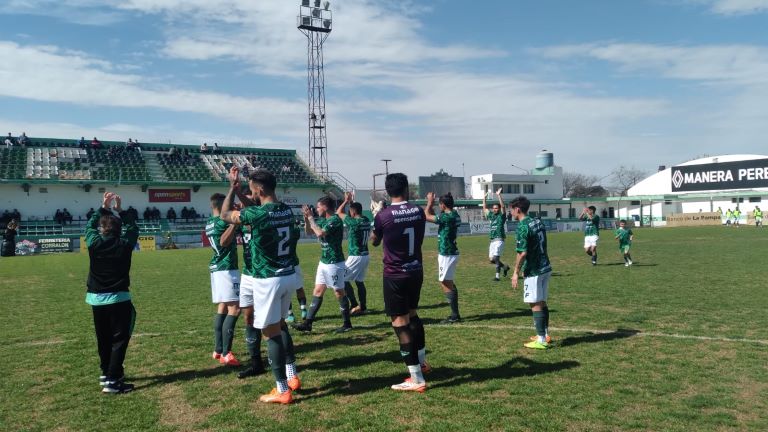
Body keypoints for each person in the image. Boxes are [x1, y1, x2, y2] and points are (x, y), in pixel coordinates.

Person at [219, 167, 301, 404]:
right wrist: (238, 190)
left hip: (268, 280)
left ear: (261, 188)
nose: (250, 190)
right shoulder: (284, 209)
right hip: (286, 275)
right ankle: (291, 375)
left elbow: (225, 213)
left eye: (252, 186)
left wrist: (230, 190)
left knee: (270, 332)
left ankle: (282, 389)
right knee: (280, 325)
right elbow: (255, 208)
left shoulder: (259, 215)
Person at [371, 173, 429, 392]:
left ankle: (416, 377)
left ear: (387, 191)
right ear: (406, 188)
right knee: (412, 314)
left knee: (399, 322)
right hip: (416, 270)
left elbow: (374, 242)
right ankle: (422, 363)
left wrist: (376, 216)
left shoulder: (384, 216)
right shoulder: (417, 211)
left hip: (395, 274)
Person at [85, 192, 139, 393]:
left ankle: (106, 372)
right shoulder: (125, 244)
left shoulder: (93, 243)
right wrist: (120, 210)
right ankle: (113, 381)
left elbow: (89, 227)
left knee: (104, 338)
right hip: (118, 298)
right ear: (119, 230)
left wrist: (103, 208)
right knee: (119, 340)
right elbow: (133, 228)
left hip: (96, 299)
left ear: (102, 229)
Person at [293, 196, 351, 333]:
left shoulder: (335, 220)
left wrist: (312, 218)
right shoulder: (325, 220)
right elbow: (308, 232)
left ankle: (347, 323)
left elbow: (319, 233)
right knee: (318, 291)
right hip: (324, 262)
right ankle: (308, 323)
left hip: (334, 263)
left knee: (339, 292)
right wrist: (307, 218)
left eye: (318, 207)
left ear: (325, 207)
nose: (316, 209)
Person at [509, 196, 553, 350]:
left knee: (534, 302)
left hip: (534, 269)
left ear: (517, 209)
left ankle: (541, 339)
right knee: (541, 301)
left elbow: (522, 253)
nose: (510, 212)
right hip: (545, 266)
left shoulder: (522, 226)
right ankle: (545, 334)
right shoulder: (538, 221)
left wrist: (515, 272)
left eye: (511, 209)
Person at [205, 194, 242, 367]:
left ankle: (218, 349)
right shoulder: (222, 222)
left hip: (217, 268)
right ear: (222, 206)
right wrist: (234, 224)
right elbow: (224, 241)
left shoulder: (209, 223)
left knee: (222, 307)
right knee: (235, 308)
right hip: (227, 268)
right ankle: (226, 353)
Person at [424, 191, 462, 324]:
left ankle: (454, 314)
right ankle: (455, 313)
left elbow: (426, 216)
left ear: (443, 205)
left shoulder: (447, 217)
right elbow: (436, 217)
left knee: (445, 282)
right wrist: (433, 205)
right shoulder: (454, 215)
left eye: (439, 204)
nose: (439, 206)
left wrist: (429, 202)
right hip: (451, 252)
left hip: (447, 253)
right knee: (448, 282)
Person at [333, 192, 371, 316]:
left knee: (342, 279)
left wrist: (345, 201)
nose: (349, 213)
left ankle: (354, 305)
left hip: (356, 255)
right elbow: (354, 211)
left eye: (350, 211)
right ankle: (363, 306)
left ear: (353, 212)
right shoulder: (366, 219)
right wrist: (351, 202)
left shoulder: (353, 222)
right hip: (365, 254)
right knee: (359, 281)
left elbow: (338, 212)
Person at [483, 188, 510, 281]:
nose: (495, 209)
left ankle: (497, 276)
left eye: (496, 208)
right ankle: (505, 267)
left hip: (499, 240)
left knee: (496, 257)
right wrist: (484, 198)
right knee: (492, 260)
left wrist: (499, 195)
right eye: (494, 208)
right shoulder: (491, 216)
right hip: (492, 241)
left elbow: (503, 207)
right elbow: (485, 208)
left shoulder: (501, 217)